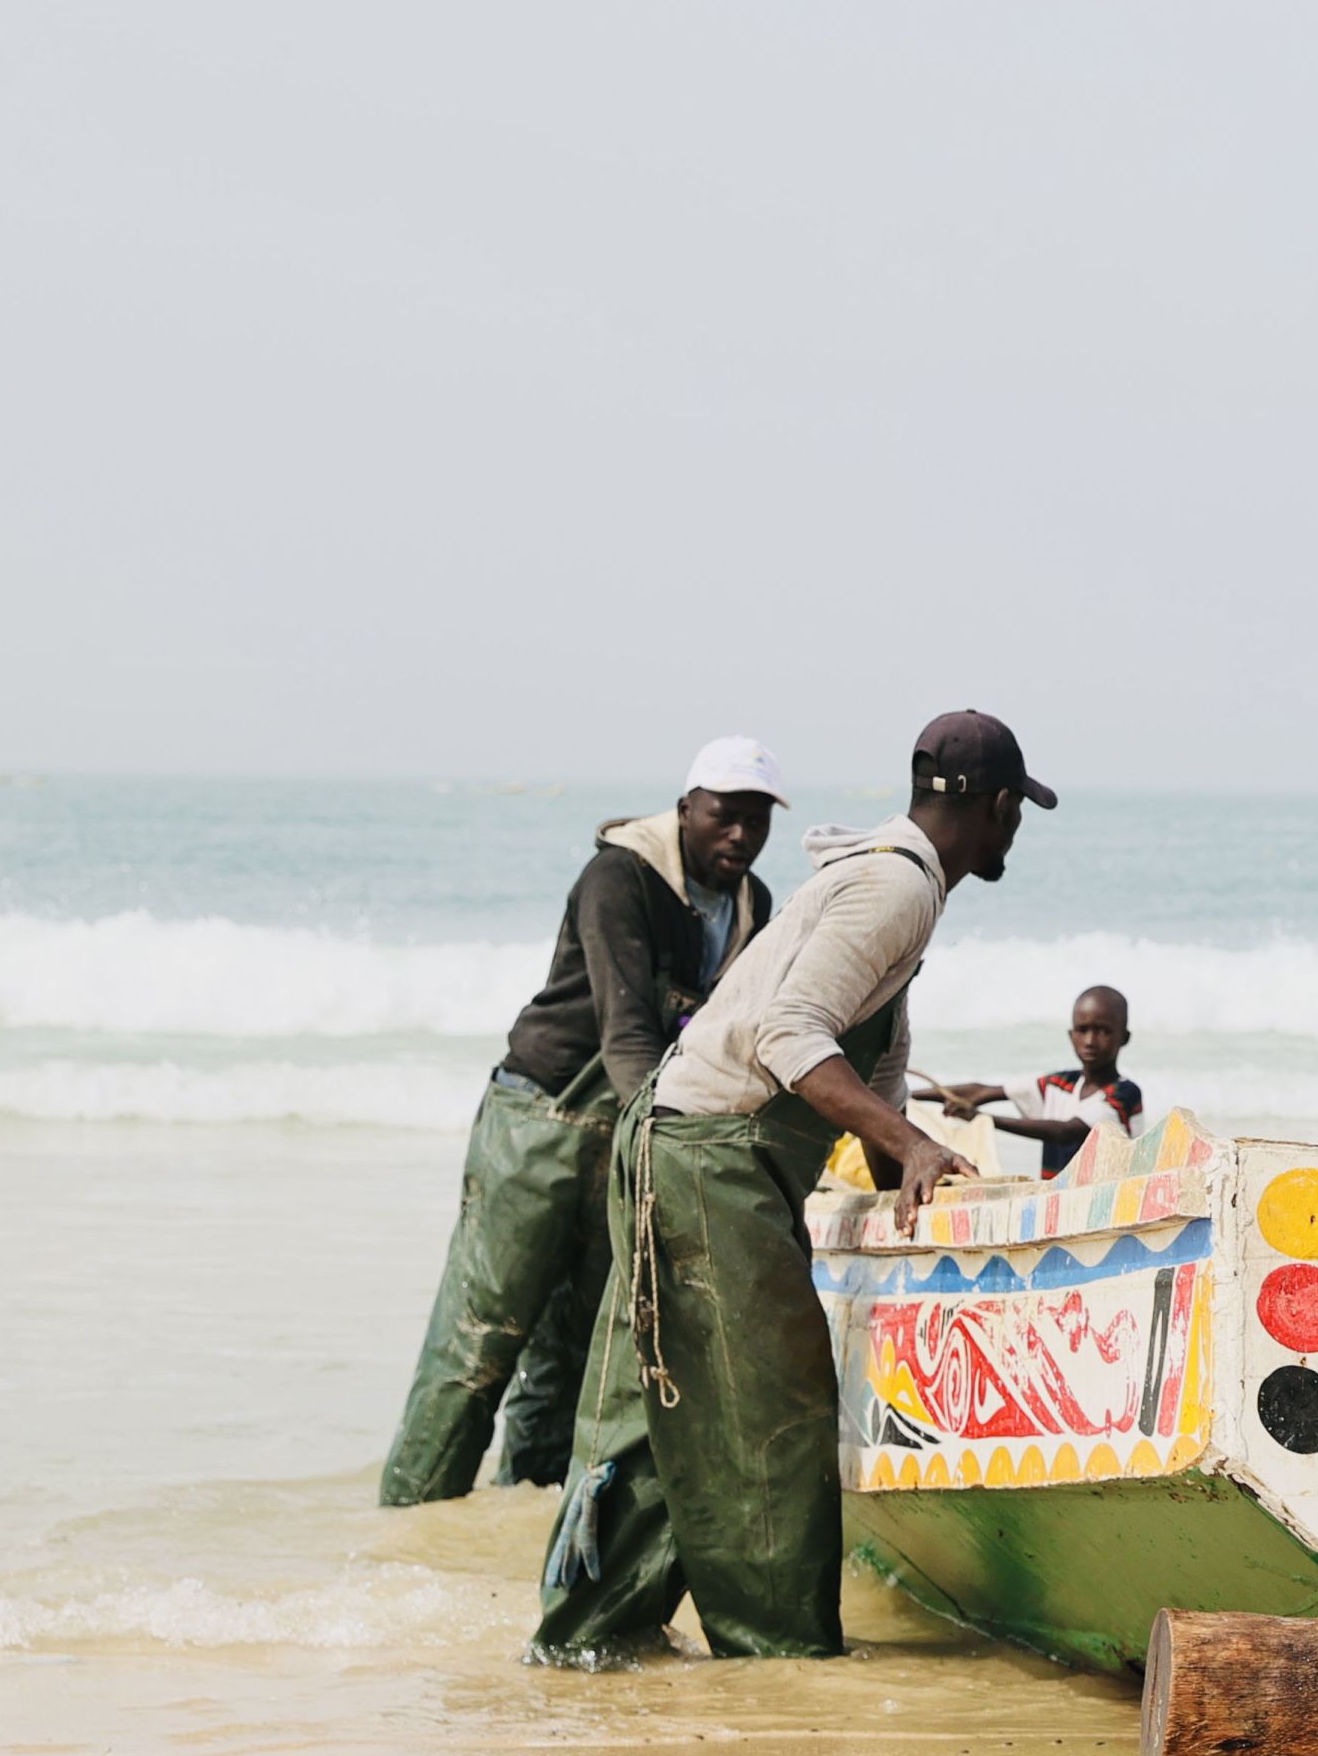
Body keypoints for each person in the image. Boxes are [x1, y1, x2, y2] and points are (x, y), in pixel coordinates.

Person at [530, 711, 1052, 1665]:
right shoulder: (894, 886)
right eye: (1017, 813)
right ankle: (780, 1661)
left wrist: (916, 1177)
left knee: (664, 1405)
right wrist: (916, 1144)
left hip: (680, 1144)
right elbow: (792, 1037)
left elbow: (876, 1068)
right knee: (768, 1415)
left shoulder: (891, 879)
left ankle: (588, 1646)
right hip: (708, 1156)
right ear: (1000, 806)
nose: (1016, 830)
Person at [379, 738, 784, 1506]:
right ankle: (407, 1535)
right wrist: (669, 1145)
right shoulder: (619, 877)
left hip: (626, 1135)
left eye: (755, 822)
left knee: (571, 1363)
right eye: (725, 817)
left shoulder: (752, 905)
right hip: (542, 1122)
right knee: (481, 1342)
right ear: (687, 808)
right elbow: (627, 1032)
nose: (739, 836)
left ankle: (515, 1527)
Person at [925, 985, 1144, 1175]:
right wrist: (909, 1094)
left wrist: (982, 1118)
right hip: (1058, 1205)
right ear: (1071, 1035)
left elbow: (1065, 1132)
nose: (1090, 1040)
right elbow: (979, 1091)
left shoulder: (1124, 1094)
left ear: (1124, 1038)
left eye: (1103, 1031)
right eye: (1082, 1029)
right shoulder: (1060, 1084)